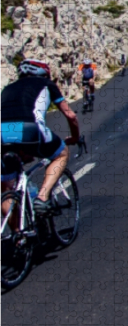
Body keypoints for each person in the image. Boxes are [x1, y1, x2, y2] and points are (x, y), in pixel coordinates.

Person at [1, 59, 80, 217]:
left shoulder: (7, 89)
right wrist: (75, 137)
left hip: (2, 132)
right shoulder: (46, 84)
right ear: (45, 73)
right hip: (29, 128)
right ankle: (42, 198)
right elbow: (70, 115)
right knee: (61, 154)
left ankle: (19, 235)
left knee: (6, 189)